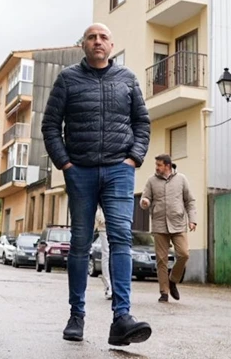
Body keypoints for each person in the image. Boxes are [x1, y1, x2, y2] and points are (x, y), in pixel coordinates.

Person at [41, 23, 152, 347]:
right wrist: (66, 164)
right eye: (92, 37)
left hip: (119, 169)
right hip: (81, 171)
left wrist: (134, 157)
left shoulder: (128, 79)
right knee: (79, 242)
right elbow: (50, 125)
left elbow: (141, 122)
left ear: (112, 45)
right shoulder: (67, 79)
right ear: (84, 45)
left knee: (120, 238)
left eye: (103, 37)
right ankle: (76, 316)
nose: (98, 41)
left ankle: (121, 318)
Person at [140, 154, 197, 302]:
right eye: (156, 165)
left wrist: (193, 220)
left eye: (159, 165)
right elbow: (145, 198)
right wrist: (145, 202)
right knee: (161, 260)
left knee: (184, 254)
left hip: (178, 223)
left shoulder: (181, 179)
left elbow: (189, 201)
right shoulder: (151, 181)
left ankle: (172, 280)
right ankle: (164, 292)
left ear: (167, 166)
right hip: (159, 224)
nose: (156, 168)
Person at [96, 208, 111, 300]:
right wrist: (100, 218)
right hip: (104, 226)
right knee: (106, 254)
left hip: (116, 224)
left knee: (113, 255)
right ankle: (108, 286)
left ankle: (115, 287)